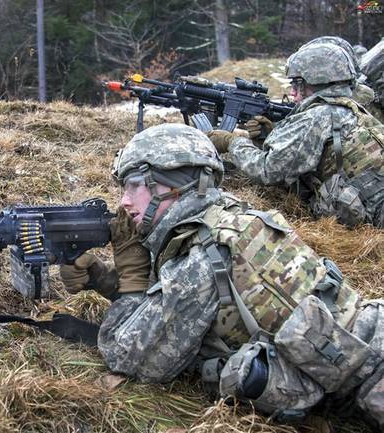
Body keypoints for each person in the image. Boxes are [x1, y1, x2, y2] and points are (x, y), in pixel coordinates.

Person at [60, 123, 384, 429]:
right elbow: (174, 301)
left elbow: (129, 357)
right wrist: (105, 281)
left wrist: (131, 276)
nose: (124, 202)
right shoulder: (231, 216)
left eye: (134, 186)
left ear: (175, 186)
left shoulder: (201, 258)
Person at [208, 43, 384, 228]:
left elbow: (267, 171)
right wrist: (269, 138)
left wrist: (231, 142)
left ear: (314, 82)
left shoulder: (317, 116)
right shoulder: (353, 109)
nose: (291, 92)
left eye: (296, 84)